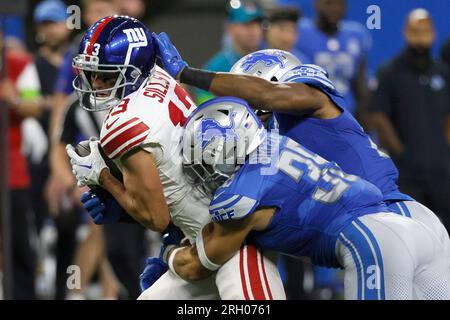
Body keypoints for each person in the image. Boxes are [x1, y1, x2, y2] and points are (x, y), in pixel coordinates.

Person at [152, 34, 450, 269]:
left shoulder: (310, 98)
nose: (246, 110)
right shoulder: (264, 144)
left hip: (389, 215)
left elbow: (268, 95)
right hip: (379, 224)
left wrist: (185, 73)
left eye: (243, 92)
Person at [66, 15, 285, 300]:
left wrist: (103, 177)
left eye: (106, 75)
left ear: (133, 71)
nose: (95, 83)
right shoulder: (159, 75)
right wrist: (123, 210)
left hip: (234, 237)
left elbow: (155, 217)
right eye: (92, 73)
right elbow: (172, 171)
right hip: (210, 228)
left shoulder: (122, 124)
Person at [165, 96, 450, 300]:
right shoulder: (278, 141)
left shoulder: (241, 197)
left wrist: (169, 251)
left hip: (372, 242)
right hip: (413, 227)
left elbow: (198, 266)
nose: (204, 175)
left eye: (204, 165)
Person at [369, 9, 450, 235]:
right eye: (415, 31)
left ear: (433, 34)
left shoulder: (443, 72)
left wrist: (444, 150)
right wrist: (401, 153)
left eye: (425, 31)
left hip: (441, 172)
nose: (420, 36)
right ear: (406, 33)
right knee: (414, 234)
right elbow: (378, 116)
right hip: (407, 173)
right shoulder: (390, 72)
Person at [0, 30, 45, 300]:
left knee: (19, 248)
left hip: (11, 175)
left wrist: (13, 99)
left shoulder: (19, 64)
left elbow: (35, 105)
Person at [295, 0, 371, 121]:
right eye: (329, 3)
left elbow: (360, 83)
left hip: (347, 115)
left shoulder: (356, 34)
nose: (335, 9)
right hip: (311, 116)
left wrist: (363, 119)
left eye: (340, 3)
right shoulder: (299, 32)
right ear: (316, 4)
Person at [196, 0, 264, 104]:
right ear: (230, 28)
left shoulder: (267, 60)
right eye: (247, 24)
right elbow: (209, 110)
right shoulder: (214, 68)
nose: (254, 30)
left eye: (257, 24)